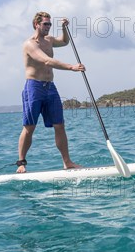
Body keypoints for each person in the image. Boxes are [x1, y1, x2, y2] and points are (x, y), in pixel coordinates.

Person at [16, 11, 85, 173]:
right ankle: (21, 163)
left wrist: (64, 28)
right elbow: (47, 60)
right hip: (34, 87)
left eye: (50, 24)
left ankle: (67, 162)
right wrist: (71, 67)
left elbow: (64, 41)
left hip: (50, 87)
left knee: (59, 125)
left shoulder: (49, 40)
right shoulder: (29, 44)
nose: (48, 27)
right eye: (45, 24)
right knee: (29, 127)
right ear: (36, 24)